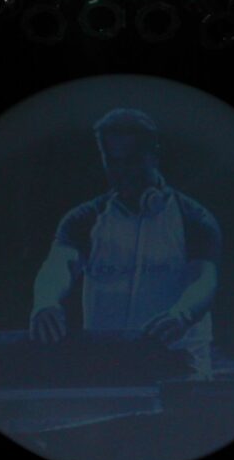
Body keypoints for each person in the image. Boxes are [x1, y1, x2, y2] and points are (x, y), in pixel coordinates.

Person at [30, 108, 222, 379]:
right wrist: (46, 300)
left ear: (154, 155)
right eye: (112, 161)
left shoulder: (193, 218)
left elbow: (204, 279)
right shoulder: (85, 219)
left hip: (182, 368)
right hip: (108, 369)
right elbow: (58, 264)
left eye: (132, 161)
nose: (122, 171)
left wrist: (182, 315)